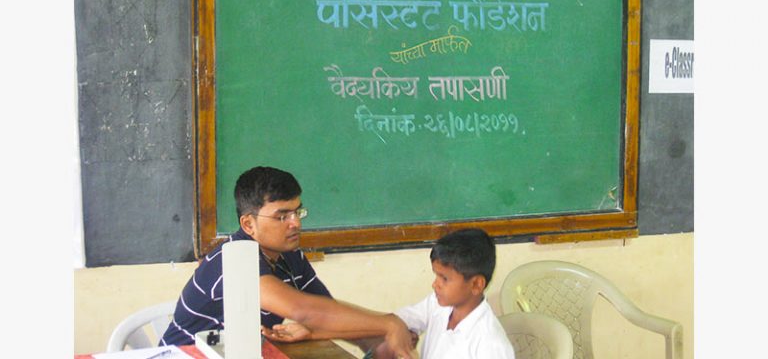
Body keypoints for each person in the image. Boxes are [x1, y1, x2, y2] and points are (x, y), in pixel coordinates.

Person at [159, 166, 414, 358]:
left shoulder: (289, 256)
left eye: (297, 211)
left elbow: (325, 312)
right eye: (282, 216)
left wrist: (376, 341)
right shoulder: (232, 260)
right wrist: (389, 323)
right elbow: (303, 311)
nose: (296, 223)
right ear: (248, 224)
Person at [375, 228, 516, 359]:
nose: (435, 284)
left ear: (476, 284)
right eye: (436, 276)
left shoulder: (491, 345)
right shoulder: (438, 304)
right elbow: (403, 319)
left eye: (444, 278)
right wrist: (403, 332)